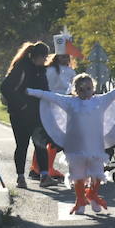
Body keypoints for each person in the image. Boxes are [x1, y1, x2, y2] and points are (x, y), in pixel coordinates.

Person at [26, 74, 115, 215]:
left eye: (89, 88)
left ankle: (92, 195)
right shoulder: (69, 102)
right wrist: (32, 92)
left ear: (93, 88)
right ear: (75, 90)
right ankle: (80, 200)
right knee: (78, 176)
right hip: (75, 148)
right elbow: (51, 97)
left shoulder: (100, 101)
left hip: (95, 146)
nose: (86, 92)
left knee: (97, 174)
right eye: (81, 90)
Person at [0, 42, 56, 189]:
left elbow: (45, 90)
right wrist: (21, 104)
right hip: (19, 114)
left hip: (37, 114)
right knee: (22, 145)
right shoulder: (21, 67)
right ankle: (20, 177)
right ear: (36, 56)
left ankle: (44, 176)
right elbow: (5, 87)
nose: (45, 60)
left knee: (40, 144)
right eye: (44, 57)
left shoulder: (41, 70)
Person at [32, 52, 76, 181]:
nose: (66, 59)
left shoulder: (49, 70)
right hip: (58, 107)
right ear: (57, 57)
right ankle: (47, 168)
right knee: (53, 139)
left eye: (67, 56)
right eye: (63, 56)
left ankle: (36, 168)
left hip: (49, 106)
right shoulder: (66, 72)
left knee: (45, 138)